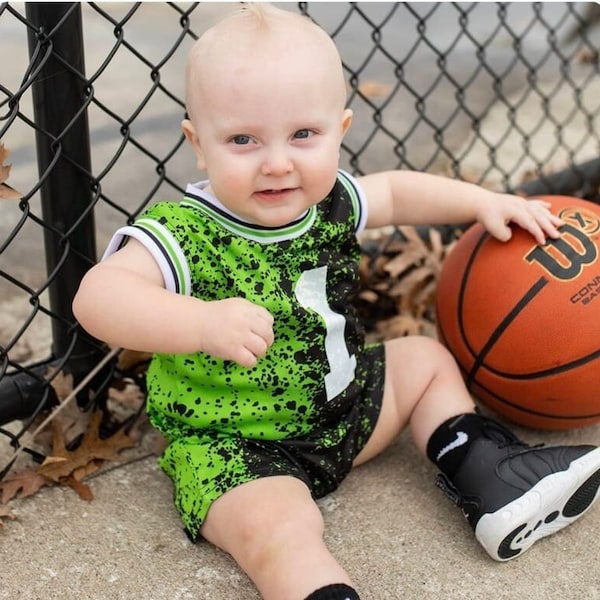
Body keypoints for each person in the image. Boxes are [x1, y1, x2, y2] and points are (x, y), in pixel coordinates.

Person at [73, 4, 600, 600]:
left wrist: (482, 202)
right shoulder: (184, 231)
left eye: (304, 135)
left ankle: (486, 473)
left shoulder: (328, 198)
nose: (277, 162)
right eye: (242, 139)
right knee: (283, 530)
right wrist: (199, 322)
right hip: (238, 447)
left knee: (423, 361)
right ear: (198, 144)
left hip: (345, 409)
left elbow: (398, 192)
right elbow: (98, 298)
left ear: (340, 131)